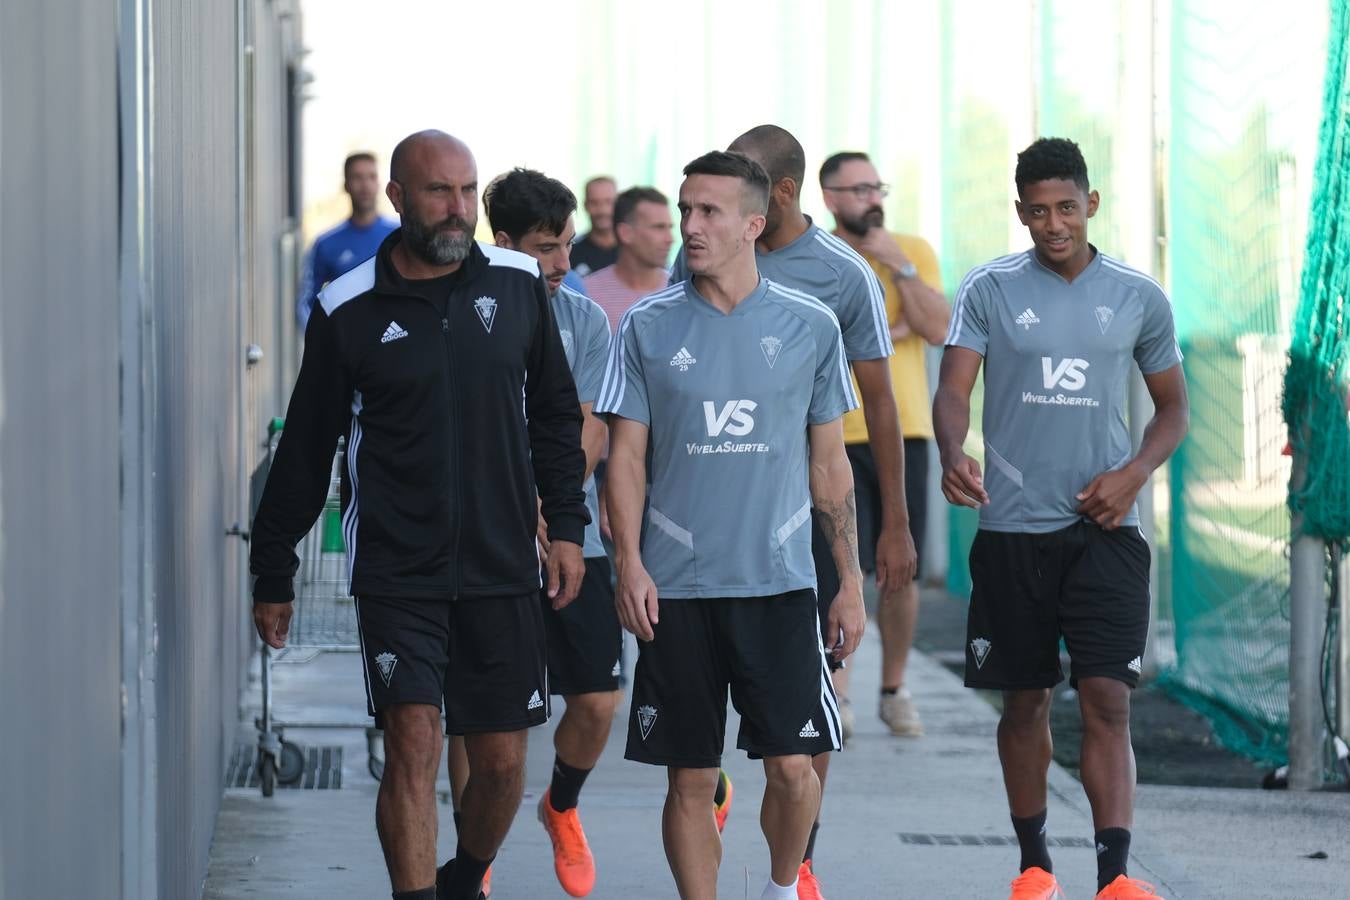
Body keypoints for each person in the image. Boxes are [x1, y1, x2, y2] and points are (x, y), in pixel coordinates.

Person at [249, 130, 589, 900]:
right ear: (399, 198)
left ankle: (465, 877)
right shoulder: (347, 309)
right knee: (413, 742)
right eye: (439, 192)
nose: (458, 209)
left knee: (502, 764)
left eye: (468, 192)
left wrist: (565, 527)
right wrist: (274, 567)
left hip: (505, 564)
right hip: (400, 570)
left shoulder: (515, 283)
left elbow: (556, 417)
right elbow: (308, 446)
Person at [598, 149, 864, 900]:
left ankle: (782, 888)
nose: (690, 225)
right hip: (675, 591)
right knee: (689, 778)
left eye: (708, 211)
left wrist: (848, 583)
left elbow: (830, 466)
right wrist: (630, 565)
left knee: (792, 770)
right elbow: (625, 460)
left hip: (780, 585)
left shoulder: (811, 325)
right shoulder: (647, 326)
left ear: (754, 223)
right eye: (685, 210)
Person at [934, 137, 1188, 900]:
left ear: (1091, 205)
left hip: (1107, 533)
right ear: (1021, 212)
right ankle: (1036, 864)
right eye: (1038, 211)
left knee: (1109, 697)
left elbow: (1173, 410)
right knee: (1025, 700)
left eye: (1067, 208)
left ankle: (1115, 877)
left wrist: (1134, 473)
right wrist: (954, 450)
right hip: (1013, 531)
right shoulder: (990, 289)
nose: (1054, 225)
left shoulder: (1138, 295)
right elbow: (953, 391)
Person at [670, 125, 916, 899]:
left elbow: (878, 402)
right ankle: (714, 791)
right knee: (700, 737)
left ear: (778, 194)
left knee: (813, 714)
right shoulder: (700, 255)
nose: (703, 219)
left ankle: (797, 862)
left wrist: (894, 524)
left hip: (804, 512)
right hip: (710, 518)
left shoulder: (841, 275)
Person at [453, 167, 614, 899]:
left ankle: (562, 805)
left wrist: (549, 504)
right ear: (506, 242)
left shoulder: (585, 320)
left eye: (570, 245)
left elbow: (586, 422)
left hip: (571, 537)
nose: (563, 264)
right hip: (484, 545)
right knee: (475, 720)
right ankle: (473, 863)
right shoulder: (464, 308)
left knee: (597, 700)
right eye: (549, 248)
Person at [819, 150, 950, 738]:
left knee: (901, 568)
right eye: (858, 189)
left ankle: (894, 687)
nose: (872, 198)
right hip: (833, 433)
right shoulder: (815, 257)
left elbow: (940, 326)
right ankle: (837, 687)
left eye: (877, 186)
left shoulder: (912, 251)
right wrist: (887, 330)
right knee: (841, 564)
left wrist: (898, 268)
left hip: (905, 433)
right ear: (828, 198)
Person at [296, 151, 398, 331]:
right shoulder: (326, 243)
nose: (365, 185)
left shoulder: (399, 236)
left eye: (371, 177)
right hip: (348, 349)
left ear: (379, 183)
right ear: (346, 185)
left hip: (395, 340)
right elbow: (305, 304)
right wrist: (325, 342)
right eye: (357, 177)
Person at [583, 186, 675, 332]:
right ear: (625, 233)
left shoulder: (680, 293)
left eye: (670, 228)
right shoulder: (587, 295)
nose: (670, 239)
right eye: (659, 228)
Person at [569, 176, 619, 277]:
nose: (602, 210)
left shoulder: (634, 250)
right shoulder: (569, 250)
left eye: (608, 202)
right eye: (594, 202)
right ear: (585, 205)